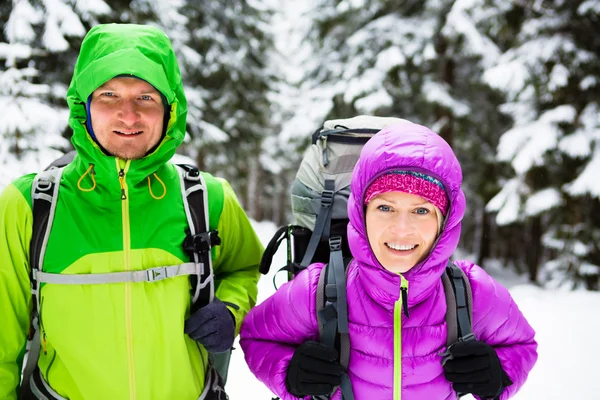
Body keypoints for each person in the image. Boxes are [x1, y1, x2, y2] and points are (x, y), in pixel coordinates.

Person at [0, 23, 263, 400]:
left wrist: (232, 309)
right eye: (109, 94)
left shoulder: (208, 198)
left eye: (146, 98)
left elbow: (244, 268)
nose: (128, 115)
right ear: (83, 105)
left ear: (170, 111)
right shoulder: (29, 205)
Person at [240, 122, 538, 399]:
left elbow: (522, 345)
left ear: (445, 220)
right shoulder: (317, 289)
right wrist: (290, 373)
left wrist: (497, 374)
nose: (401, 229)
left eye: (421, 211)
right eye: (385, 207)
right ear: (361, 211)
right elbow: (256, 337)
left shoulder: (469, 291)